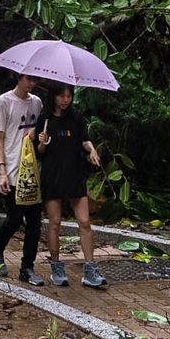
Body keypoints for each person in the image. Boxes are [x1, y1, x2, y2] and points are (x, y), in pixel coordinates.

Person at [36, 83, 106, 288]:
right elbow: (40, 151)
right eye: (61, 96)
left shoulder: (76, 117)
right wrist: (42, 141)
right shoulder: (45, 118)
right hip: (52, 175)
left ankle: (90, 268)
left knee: (84, 222)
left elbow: (84, 140)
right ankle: (56, 267)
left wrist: (91, 150)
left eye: (68, 96)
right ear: (54, 96)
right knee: (55, 223)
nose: (65, 100)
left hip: (75, 174)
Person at [0, 72, 45, 286]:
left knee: (35, 223)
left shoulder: (37, 103)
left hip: (31, 171)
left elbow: (40, 132)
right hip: (11, 168)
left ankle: (27, 267)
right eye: (29, 79)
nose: (32, 83)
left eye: (35, 80)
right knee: (14, 218)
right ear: (18, 77)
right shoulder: (3, 102)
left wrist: (38, 137)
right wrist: (1, 170)